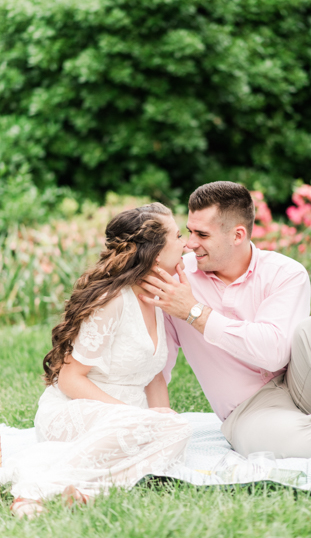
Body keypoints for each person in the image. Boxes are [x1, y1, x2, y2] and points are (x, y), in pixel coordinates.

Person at [137, 181, 311, 461]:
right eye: (189, 231)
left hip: (306, 389)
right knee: (279, 442)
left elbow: (273, 354)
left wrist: (195, 312)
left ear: (237, 235)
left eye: (202, 234)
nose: (190, 243)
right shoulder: (176, 281)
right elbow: (157, 364)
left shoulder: (286, 273)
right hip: (250, 411)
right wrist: (158, 426)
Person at [7, 203, 192, 518]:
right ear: (157, 253)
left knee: (179, 428)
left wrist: (159, 420)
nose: (185, 242)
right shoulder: (114, 300)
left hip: (129, 418)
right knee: (161, 428)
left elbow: (154, 375)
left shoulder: (157, 298)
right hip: (76, 409)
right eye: (178, 236)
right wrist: (131, 416)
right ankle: (35, 487)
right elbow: (70, 378)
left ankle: (90, 491)